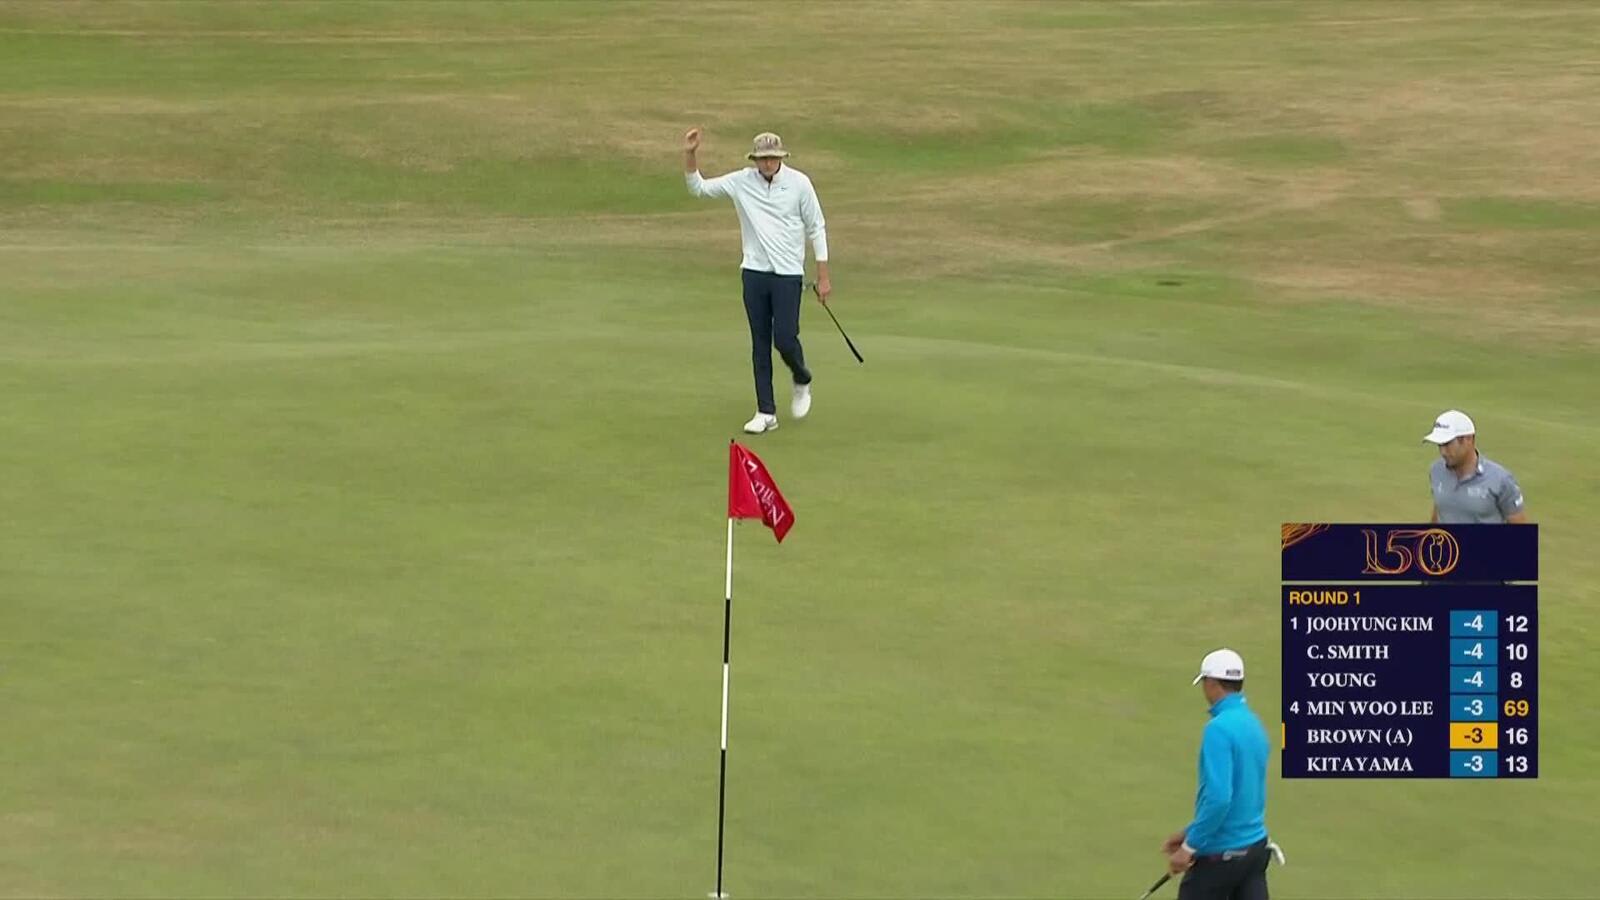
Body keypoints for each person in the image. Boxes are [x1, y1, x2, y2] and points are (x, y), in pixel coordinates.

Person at [683, 128, 831, 434]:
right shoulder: (741, 181)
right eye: (762, 159)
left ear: (780, 158)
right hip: (753, 272)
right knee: (760, 343)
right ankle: (766, 412)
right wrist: (691, 153)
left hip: (789, 273)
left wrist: (823, 275)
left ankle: (801, 377)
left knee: (786, 339)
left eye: (772, 158)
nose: (767, 163)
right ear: (755, 159)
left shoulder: (799, 184)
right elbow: (698, 188)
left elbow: (816, 227)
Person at [1162, 648, 1274, 900]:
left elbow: (1219, 799)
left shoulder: (1218, 730)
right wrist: (1188, 832)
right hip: (1255, 852)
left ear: (1212, 683)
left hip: (1222, 857)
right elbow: (1242, 798)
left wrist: (1189, 846)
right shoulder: (1255, 724)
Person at [1423, 409, 1528, 523]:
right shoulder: (1436, 470)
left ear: (1468, 439)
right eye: (1440, 445)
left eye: (1447, 444)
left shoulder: (1501, 480)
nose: (1443, 452)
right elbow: (1440, 509)